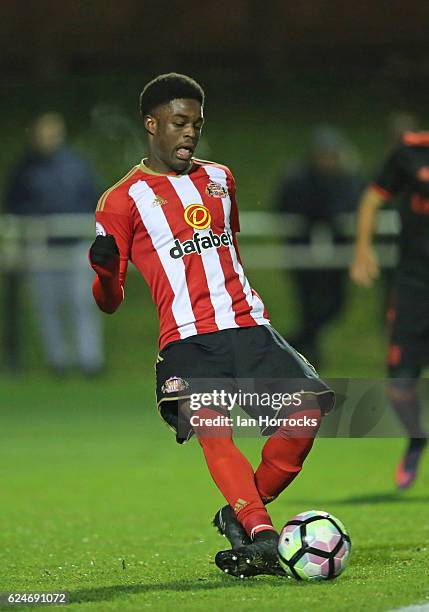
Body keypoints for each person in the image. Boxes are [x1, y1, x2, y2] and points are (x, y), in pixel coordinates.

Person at [89, 73, 335, 578]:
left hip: (247, 326)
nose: (189, 133)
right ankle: (262, 536)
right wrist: (101, 272)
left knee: (307, 412)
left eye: (197, 124)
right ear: (152, 124)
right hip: (187, 341)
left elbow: (228, 252)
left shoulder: (221, 178)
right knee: (215, 431)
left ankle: (240, 514)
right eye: (179, 123)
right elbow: (109, 301)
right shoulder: (121, 200)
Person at [350, 130, 429, 490]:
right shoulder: (410, 153)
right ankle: (416, 439)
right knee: (399, 384)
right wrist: (362, 249)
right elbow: (372, 197)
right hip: (414, 287)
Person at [5, 112, 104, 376]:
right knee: (47, 306)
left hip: (75, 244)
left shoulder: (77, 164)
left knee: (82, 303)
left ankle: (89, 361)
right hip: (40, 246)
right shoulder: (24, 168)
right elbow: (13, 204)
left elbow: (95, 197)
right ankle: (58, 362)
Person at [275, 126, 363, 367]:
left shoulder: (348, 179)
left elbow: (354, 209)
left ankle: (293, 343)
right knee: (307, 304)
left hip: (337, 253)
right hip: (302, 251)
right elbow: (285, 209)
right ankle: (308, 355)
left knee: (336, 303)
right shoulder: (297, 179)